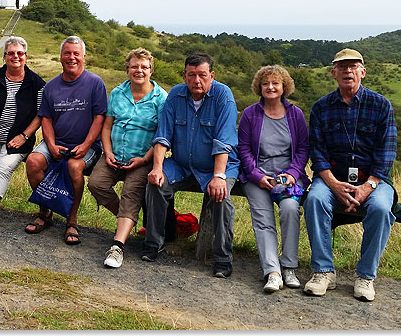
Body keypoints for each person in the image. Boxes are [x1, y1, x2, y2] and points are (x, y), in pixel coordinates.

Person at [304, 48, 397, 302]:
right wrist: (333, 184)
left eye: (354, 66)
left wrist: (368, 186)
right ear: (334, 73)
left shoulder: (381, 105)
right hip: (331, 178)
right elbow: (317, 152)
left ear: (363, 72)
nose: (348, 71)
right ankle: (323, 272)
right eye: (342, 67)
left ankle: (366, 276)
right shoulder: (321, 107)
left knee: (380, 208)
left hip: (374, 180)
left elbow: (387, 152)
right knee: (314, 200)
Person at [143, 53, 240, 278]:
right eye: (192, 75)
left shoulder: (223, 96)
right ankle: (153, 243)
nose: (197, 80)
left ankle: (223, 258)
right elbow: (162, 136)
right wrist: (157, 168)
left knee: (221, 197)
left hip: (218, 165)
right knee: (156, 183)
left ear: (211, 76)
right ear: (185, 76)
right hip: (181, 163)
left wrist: (218, 176)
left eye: (202, 75)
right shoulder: (176, 95)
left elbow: (224, 142)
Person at [87, 48, 168, 268]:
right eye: (134, 66)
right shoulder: (117, 93)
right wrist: (108, 152)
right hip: (114, 155)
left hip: (142, 159)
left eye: (144, 67)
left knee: (131, 193)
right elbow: (107, 126)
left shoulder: (161, 99)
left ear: (151, 70)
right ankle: (127, 218)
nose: (139, 70)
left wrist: (144, 159)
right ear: (127, 69)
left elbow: (162, 135)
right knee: (96, 184)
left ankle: (117, 247)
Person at [24, 35, 107, 245]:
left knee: (74, 167)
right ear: (61, 57)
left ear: (84, 57)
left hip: (88, 144)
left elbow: (99, 119)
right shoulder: (50, 87)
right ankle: (46, 212)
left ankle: (72, 219)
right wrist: (50, 144)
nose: (72, 57)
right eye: (67, 53)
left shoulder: (95, 83)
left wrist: (86, 145)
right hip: (57, 140)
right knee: (33, 162)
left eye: (76, 54)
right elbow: (46, 119)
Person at [238, 65, 309, 293]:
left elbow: (303, 150)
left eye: (275, 83)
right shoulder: (250, 114)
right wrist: (257, 176)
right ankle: (273, 272)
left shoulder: (295, 114)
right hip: (257, 177)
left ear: (284, 86)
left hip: (288, 178)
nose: (270, 87)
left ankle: (288, 266)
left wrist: (292, 174)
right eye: (266, 83)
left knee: (290, 209)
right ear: (259, 87)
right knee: (263, 219)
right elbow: (244, 150)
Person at [0, 36, 45, 235]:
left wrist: (24, 135)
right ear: (4, 56)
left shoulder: (36, 83)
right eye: (11, 53)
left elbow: (40, 115)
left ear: (26, 57)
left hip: (18, 140)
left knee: (3, 167)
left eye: (20, 53)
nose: (15, 57)